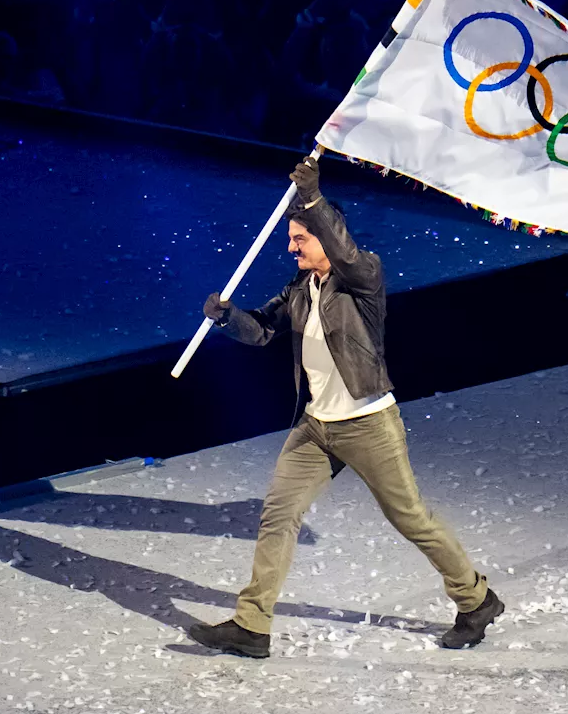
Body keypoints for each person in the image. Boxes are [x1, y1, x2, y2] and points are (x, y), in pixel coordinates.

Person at [187, 157, 503, 658]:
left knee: (410, 518)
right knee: (278, 514)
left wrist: (313, 199)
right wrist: (228, 318)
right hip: (316, 427)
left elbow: (347, 253)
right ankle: (252, 625)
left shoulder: (364, 278)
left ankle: (476, 598)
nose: (291, 247)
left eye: (300, 239)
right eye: (291, 239)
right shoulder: (299, 288)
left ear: (325, 238)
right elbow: (264, 331)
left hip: (368, 424)